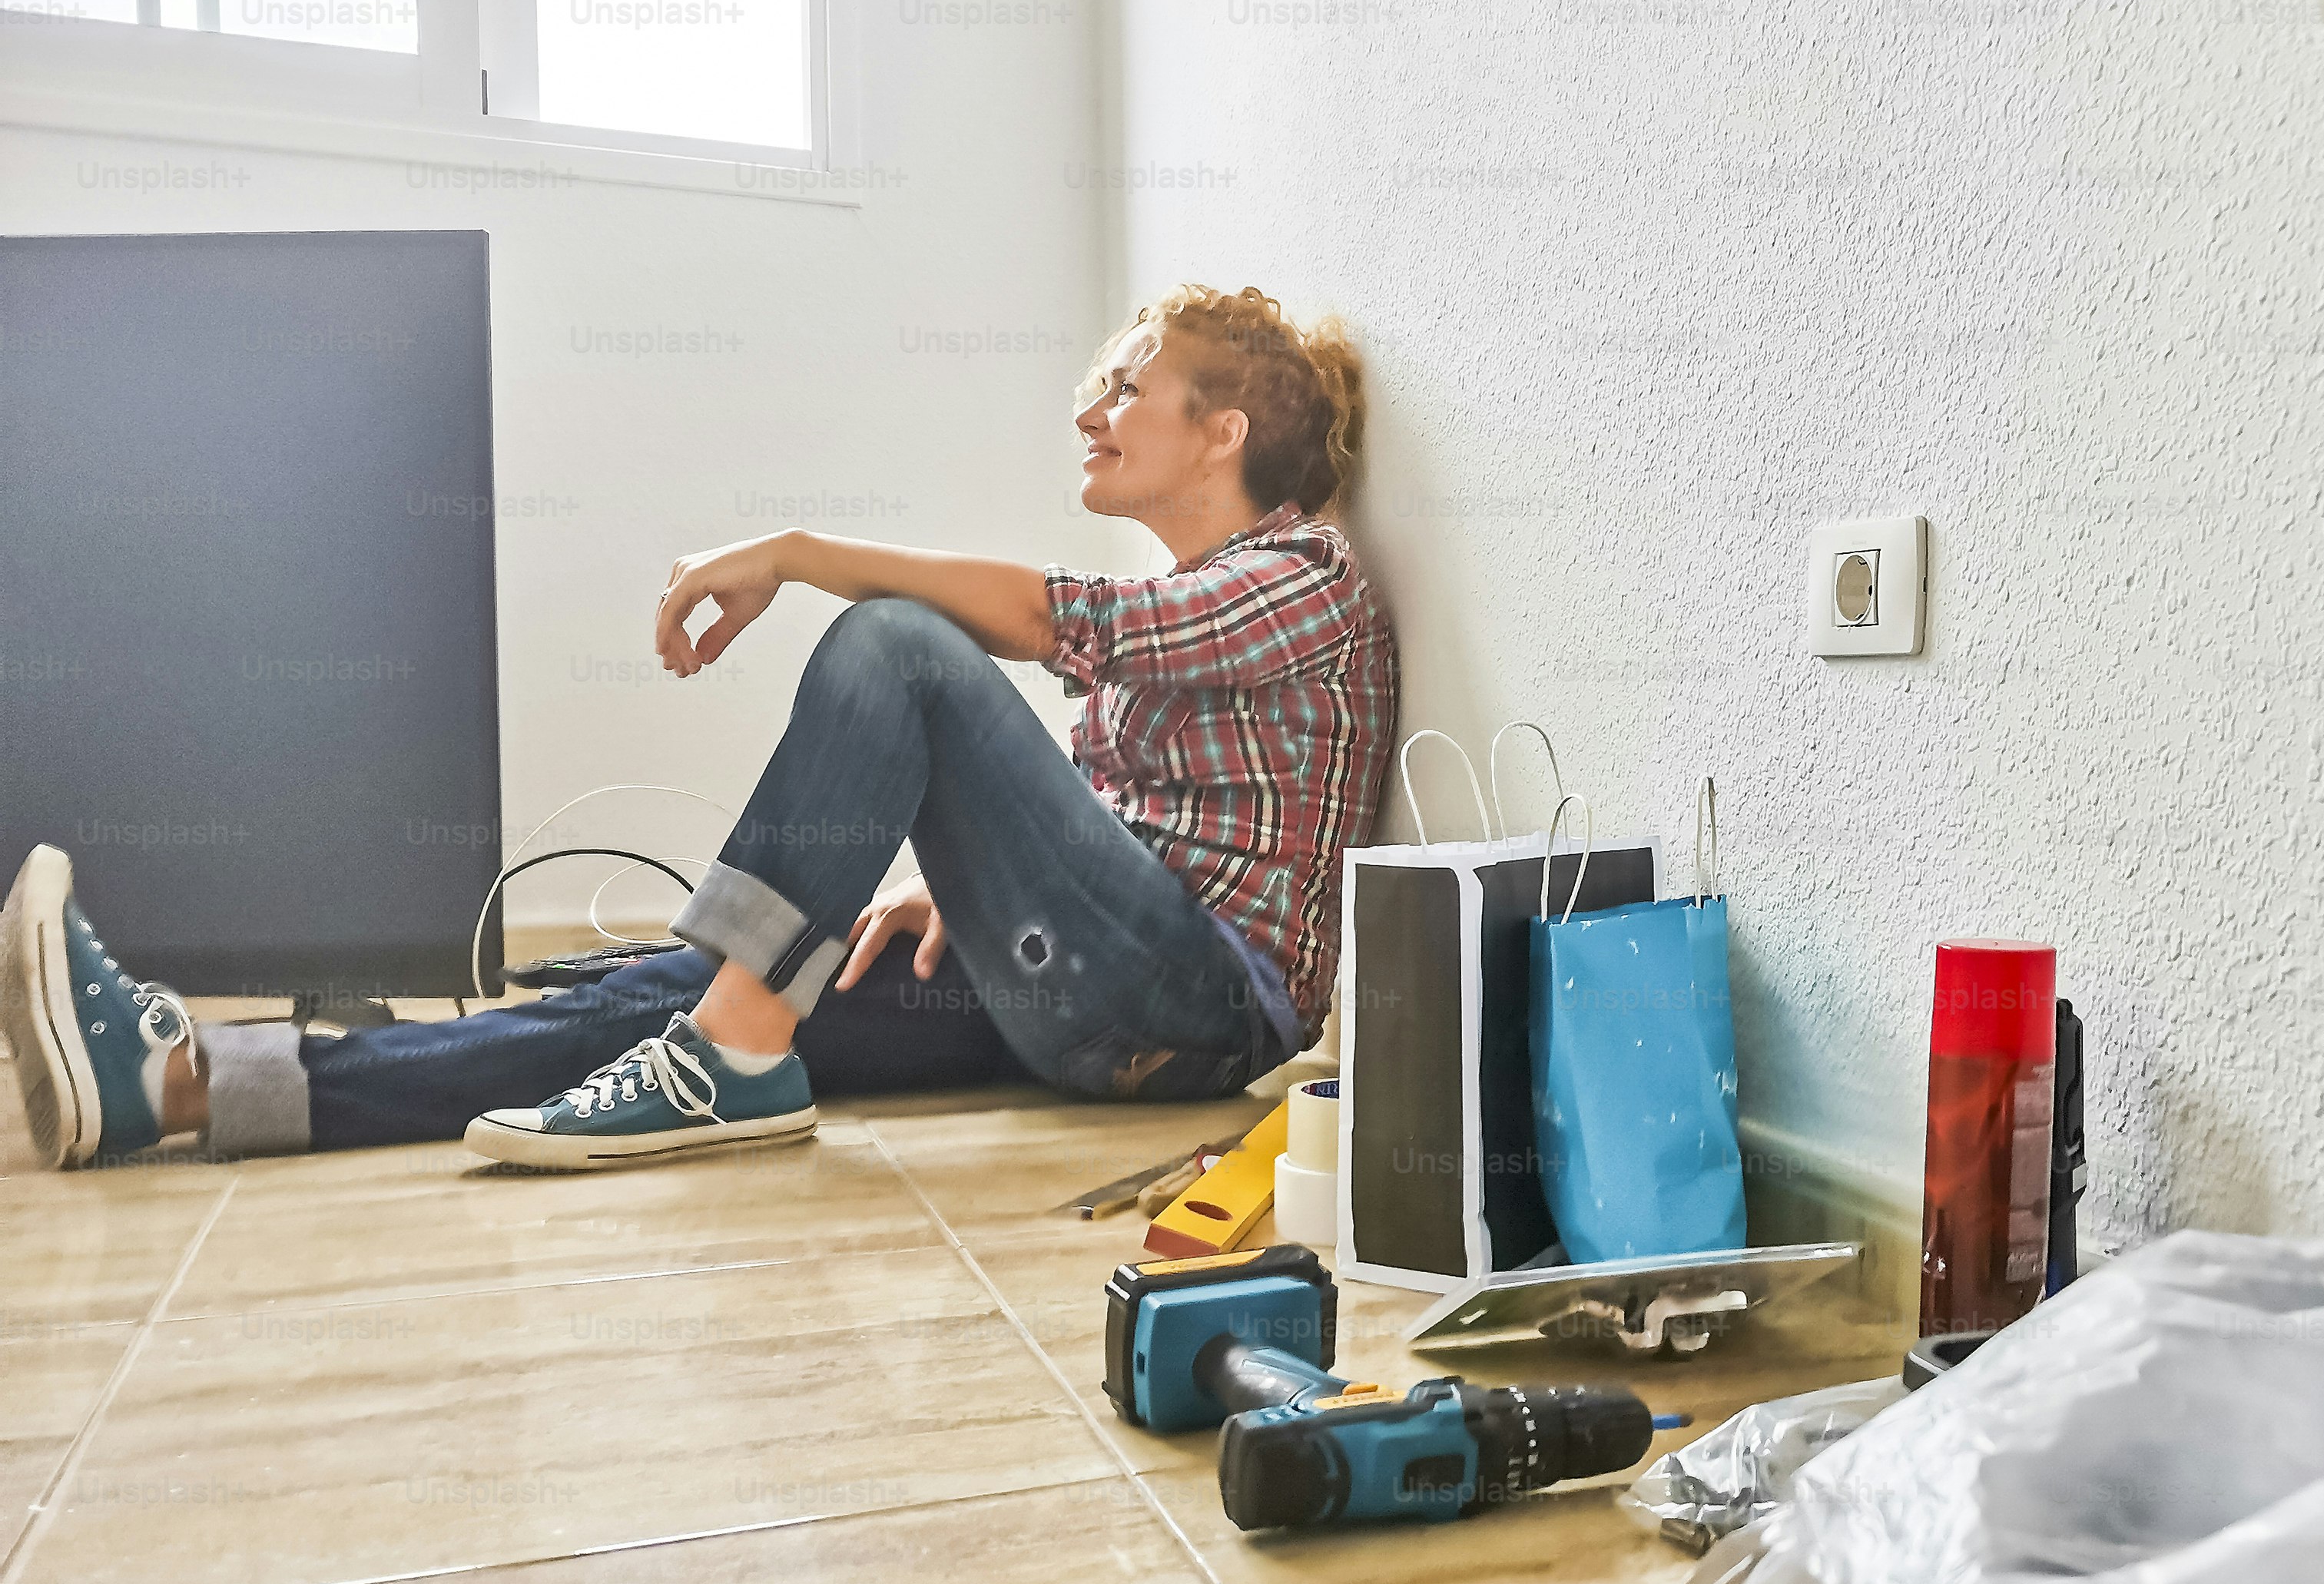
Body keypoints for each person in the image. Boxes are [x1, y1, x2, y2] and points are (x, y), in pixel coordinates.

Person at [1, 285, 1397, 1171]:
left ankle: (725, 1064)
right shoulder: (1200, 603)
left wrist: (790, 549)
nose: (1090, 408)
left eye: (1128, 382)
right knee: (676, 998)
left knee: (900, 648)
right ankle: (183, 1084)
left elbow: (1053, 623)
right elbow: (1106, 814)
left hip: (1203, 1010)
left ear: (1224, 430)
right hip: (1097, 984)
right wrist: (950, 883)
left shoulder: (1307, 579)